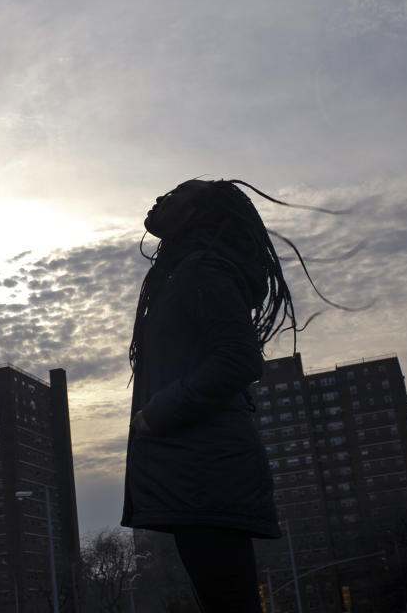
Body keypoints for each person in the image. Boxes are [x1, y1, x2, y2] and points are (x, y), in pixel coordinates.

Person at [121, 178, 298, 612]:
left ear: (202, 212)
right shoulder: (184, 273)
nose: (161, 197)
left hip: (206, 471)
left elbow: (239, 360)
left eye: (178, 193)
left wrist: (157, 414)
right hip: (195, 471)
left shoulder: (204, 270)